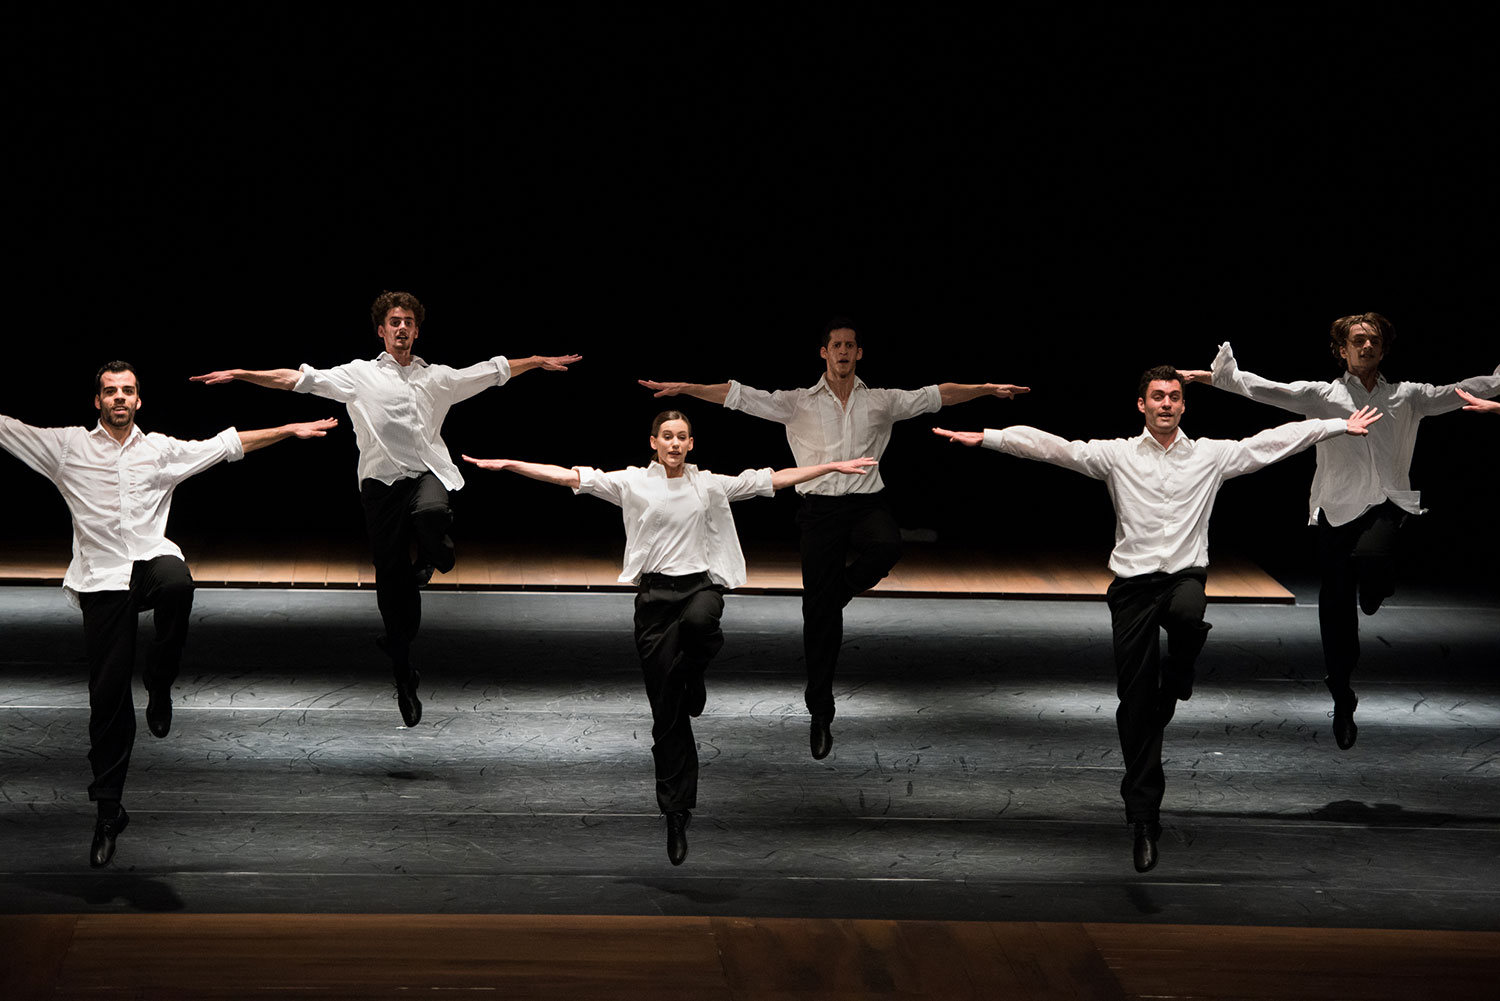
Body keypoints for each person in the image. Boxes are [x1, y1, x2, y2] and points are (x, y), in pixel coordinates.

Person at [934, 366, 1380, 873]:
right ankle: (1144, 819)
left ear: (1184, 405)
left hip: (1183, 577)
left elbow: (1270, 442)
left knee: (1189, 613)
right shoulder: (1118, 455)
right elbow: (1055, 447)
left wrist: (1334, 425)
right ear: (1141, 405)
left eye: (1174, 396)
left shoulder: (1210, 455)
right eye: (1157, 396)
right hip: (1132, 588)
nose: (1166, 403)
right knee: (1136, 707)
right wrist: (990, 437)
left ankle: (1180, 674)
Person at [462, 410, 876, 865]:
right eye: (667, 436)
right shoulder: (632, 482)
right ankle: (676, 812)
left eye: (682, 437)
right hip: (655, 602)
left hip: (700, 589)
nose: (675, 443)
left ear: (691, 444)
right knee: (667, 716)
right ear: (654, 443)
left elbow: (772, 479)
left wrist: (830, 467)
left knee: (700, 623)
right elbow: (568, 476)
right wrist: (510, 464)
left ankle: (694, 671)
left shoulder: (709, 484)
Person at [640, 316, 1029, 760]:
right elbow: (739, 396)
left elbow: (938, 395)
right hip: (819, 513)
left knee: (886, 546)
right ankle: (821, 713)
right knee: (821, 624)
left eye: (850, 345)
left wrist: (986, 389)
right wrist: (687, 388)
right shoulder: (797, 403)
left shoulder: (880, 401)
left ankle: (836, 593)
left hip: (866, 506)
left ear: (859, 353)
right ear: (824, 353)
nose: (843, 351)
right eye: (836, 345)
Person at [1, 361, 337, 868]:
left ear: (139, 400)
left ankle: (159, 683)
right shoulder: (67, 447)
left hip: (149, 565)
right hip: (101, 581)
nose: (119, 397)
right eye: (110, 391)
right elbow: (7, 428)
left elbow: (225, 445)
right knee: (107, 700)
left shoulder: (159, 450)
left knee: (178, 581)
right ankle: (109, 812)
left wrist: (288, 429)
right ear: (98, 401)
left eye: (127, 390)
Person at [191, 290, 581, 728]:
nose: (402, 328)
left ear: (417, 331)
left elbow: (493, 371)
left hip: (427, 475)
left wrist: (536, 361)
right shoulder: (358, 375)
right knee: (394, 592)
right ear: (381, 330)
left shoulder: (437, 378)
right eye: (395, 321)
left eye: (409, 322)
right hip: (380, 486)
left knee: (431, 514)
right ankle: (403, 671)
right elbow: (295, 380)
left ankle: (436, 558)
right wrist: (242, 374)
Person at [1178, 314, 1499, 749]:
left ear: (1384, 349)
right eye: (1358, 340)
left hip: (1387, 504)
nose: (1366, 347)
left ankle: (1376, 585)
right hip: (1336, 510)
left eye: (1374, 341)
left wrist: (1496, 384)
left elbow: (1462, 389)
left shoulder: (1408, 396)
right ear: (1342, 350)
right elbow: (1268, 389)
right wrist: (1217, 378)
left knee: (1373, 559)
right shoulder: (1323, 395)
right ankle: (1342, 694)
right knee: (1335, 612)